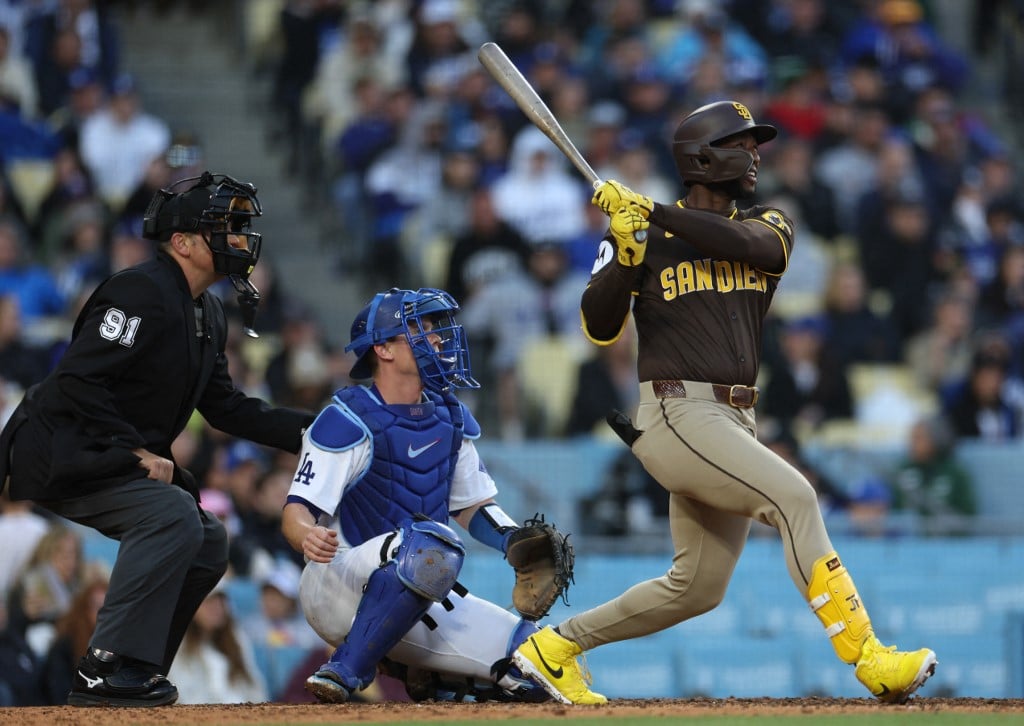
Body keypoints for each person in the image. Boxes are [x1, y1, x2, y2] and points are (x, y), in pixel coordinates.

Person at [509, 100, 937, 705]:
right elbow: (598, 327)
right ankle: (870, 658)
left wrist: (652, 212)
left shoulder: (767, 222)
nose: (756, 155)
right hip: (676, 412)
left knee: (697, 587)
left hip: (735, 418)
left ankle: (552, 650)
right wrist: (627, 253)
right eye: (743, 144)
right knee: (795, 498)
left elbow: (760, 250)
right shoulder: (643, 235)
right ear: (704, 158)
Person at [0, 171, 316, 707]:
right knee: (171, 513)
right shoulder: (138, 291)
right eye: (225, 227)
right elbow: (77, 379)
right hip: (58, 449)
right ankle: (101, 667)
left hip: (105, 456)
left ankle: (137, 668)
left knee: (209, 537)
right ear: (183, 242)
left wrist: (311, 430)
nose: (238, 239)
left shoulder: (208, 311)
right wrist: (133, 449)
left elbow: (225, 408)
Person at [281, 287, 550, 704]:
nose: (438, 339)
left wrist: (514, 539)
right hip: (338, 586)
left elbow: (472, 506)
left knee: (540, 664)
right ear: (384, 349)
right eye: (420, 330)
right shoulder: (347, 416)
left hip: (419, 589)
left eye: (435, 330)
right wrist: (305, 535)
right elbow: (296, 510)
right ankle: (348, 667)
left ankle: (431, 677)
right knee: (433, 543)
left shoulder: (450, 414)